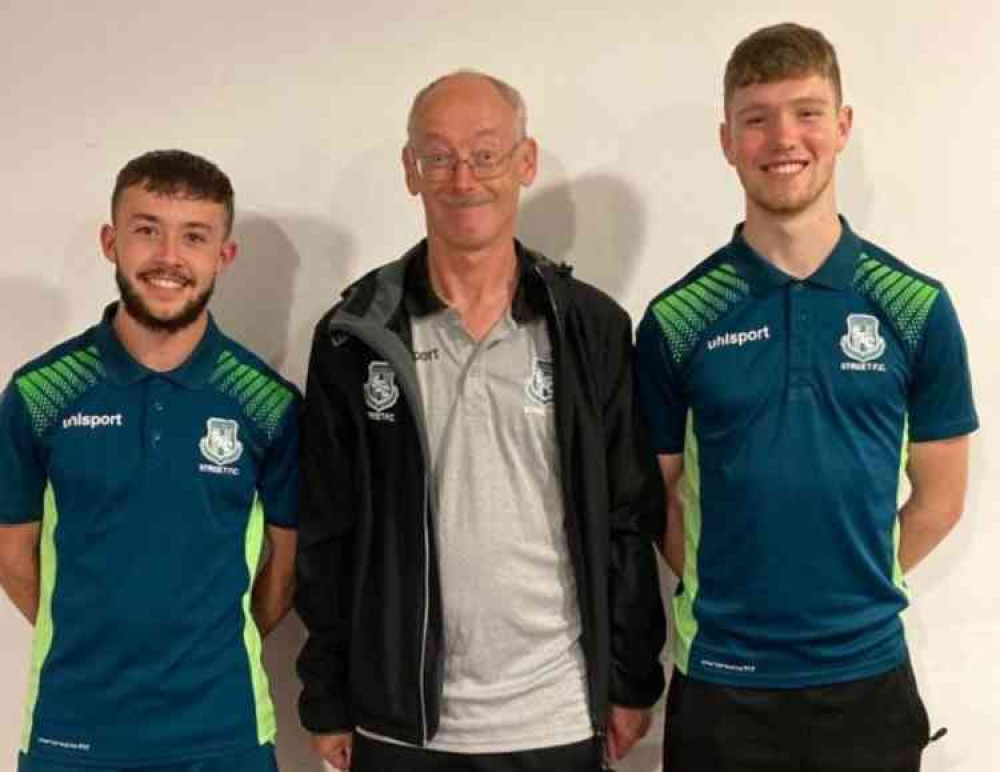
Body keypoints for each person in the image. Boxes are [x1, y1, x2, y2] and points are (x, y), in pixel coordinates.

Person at [296, 70, 666, 772]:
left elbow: (626, 516)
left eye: (486, 154)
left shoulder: (591, 327)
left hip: (556, 711)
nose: (463, 177)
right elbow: (327, 530)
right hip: (401, 724)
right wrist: (328, 696)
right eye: (438, 156)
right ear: (411, 171)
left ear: (525, 162)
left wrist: (630, 678)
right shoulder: (354, 334)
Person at [636, 22, 978, 772]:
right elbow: (660, 501)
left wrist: (846, 588)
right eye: (756, 118)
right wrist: (737, 589)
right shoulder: (676, 319)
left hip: (867, 682)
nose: (782, 138)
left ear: (842, 126)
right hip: (724, 685)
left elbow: (941, 498)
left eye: (806, 112)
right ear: (727, 140)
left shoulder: (916, 307)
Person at [0, 150, 300, 772]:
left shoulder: (268, 404)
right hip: (70, 735)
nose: (169, 258)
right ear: (111, 242)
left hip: (224, 736)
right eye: (146, 230)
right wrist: (93, 638)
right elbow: (10, 550)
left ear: (224, 255)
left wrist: (210, 648)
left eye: (194, 236)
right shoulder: (39, 394)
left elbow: (289, 561)